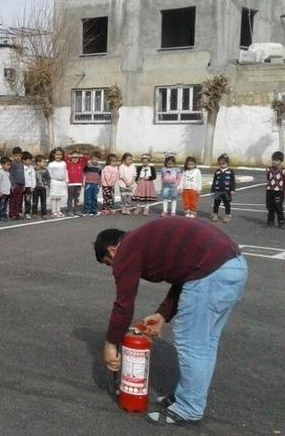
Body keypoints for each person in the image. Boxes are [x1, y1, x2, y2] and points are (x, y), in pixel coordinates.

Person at [94, 219, 248, 426]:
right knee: (205, 344)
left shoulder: (127, 250)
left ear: (112, 250)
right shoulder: (143, 240)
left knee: (192, 345)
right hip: (233, 266)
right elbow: (185, 273)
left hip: (211, 273)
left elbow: (124, 304)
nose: (113, 267)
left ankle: (188, 409)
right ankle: (188, 395)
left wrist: (111, 344)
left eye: (109, 263)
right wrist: (162, 315)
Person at [265, 151, 285, 229]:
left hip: (279, 192)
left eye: (276, 160)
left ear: (281, 161)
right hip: (270, 190)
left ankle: (281, 222)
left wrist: (282, 188)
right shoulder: (268, 169)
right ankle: (270, 221)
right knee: (270, 207)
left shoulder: (284, 171)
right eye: (273, 160)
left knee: (278, 207)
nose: (274, 162)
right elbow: (268, 178)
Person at [211, 154, 236, 223]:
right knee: (216, 203)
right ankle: (215, 214)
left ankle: (227, 215)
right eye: (220, 164)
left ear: (227, 163)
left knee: (227, 204)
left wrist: (232, 189)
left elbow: (233, 181)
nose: (222, 165)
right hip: (217, 190)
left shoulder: (230, 171)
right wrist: (213, 189)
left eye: (223, 164)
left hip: (227, 191)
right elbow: (214, 180)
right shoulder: (217, 171)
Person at [48, 147, 68, 218]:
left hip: (61, 182)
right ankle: (54, 211)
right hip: (54, 182)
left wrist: (67, 180)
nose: (59, 156)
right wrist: (49, 183)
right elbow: (49, 174)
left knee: (59, 197)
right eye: (57, 154)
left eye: (60, 155)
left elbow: (65, 172)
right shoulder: (51, 164)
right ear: (54, 155)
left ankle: (58, 211)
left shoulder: (63, 163)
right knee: (54, 197)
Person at [66, 151, 87, 216]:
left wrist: (80, 155)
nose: (75, 159)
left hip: (79, 184)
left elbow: (86, 159)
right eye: (73, 157)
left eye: (76, 157)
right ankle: (70, 210)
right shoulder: (68, 164)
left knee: (77, 198)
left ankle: (77, 210)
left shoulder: (81, 164)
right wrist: (71, 156)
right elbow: (64, 158)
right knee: (70, 198)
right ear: (71, 158)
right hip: (71, 184)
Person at [83, 152, 102, 216]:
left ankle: (94, 210)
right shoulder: (88, 165)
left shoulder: (100, 167)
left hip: (96, 184)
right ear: (91, 159)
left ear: (99, 160)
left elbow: (100, 176)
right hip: (88, 184)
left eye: (96, 159)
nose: (95, 161)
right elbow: (83, 174)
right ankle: (87, 210)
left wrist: (100, 183)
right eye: (93, 159)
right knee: (87, 197)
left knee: (94, 197)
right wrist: (83, 182)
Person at [9, 147, 26, 219]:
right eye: (16, 156)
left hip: (21, 185)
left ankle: (17, 213)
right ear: (13, 156)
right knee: (13, 200)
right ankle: (12, 213)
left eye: (19, 155)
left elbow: (23, 175)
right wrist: (13, 185)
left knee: (18, 200)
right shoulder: (12, 164)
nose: (18, 157)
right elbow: (11, 175)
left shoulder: (21, 163)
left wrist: (24, 184)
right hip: (15, 185)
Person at [0, 156, 12, 222]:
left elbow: (9, 181)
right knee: (1, 205)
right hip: (2, 192)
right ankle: (0, 216)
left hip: (7, 191)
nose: (9, 166)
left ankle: (4, 215)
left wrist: (10, 188)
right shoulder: (0, 173)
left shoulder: (7, 172)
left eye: (9, 165)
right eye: (7, 165)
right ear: (2, 165)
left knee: (5, 204)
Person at [22, 151, 36, 219]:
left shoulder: (31, 168)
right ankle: (19, 212)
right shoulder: (20, 167)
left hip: (29, 187)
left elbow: (33, 177)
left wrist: (33, 186)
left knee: (28, 200)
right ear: (23, 160)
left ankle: (27, 212)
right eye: (29, 160)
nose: (30, 161)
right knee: (19, 200)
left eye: (31, 160)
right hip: (21, 186)